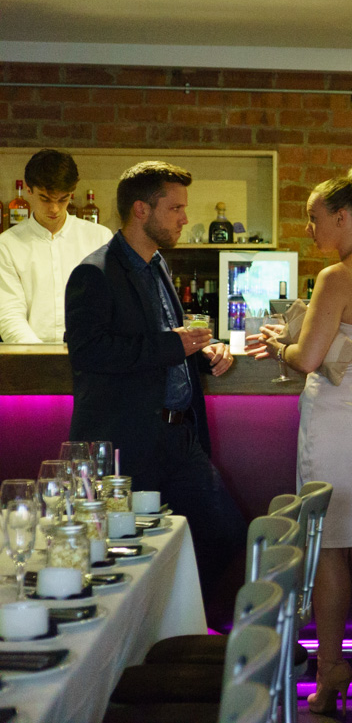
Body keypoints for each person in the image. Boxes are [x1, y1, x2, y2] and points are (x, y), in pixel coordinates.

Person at [248, 166, 352, 717]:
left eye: (313, 220)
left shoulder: (337, 276)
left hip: (341, 420)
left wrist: (280, 345)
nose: (309, 230)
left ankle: (333, 665)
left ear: (342, 217)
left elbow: (312, 360)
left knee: (334, 544)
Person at [64, 160, 245, 596]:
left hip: (180, 439)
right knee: (125, 555)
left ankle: (173, 618)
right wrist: (175, 346)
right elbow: (89, 352)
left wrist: (203, 352)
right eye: (176, 208)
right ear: (141, 210)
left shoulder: (159, 265)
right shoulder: (94, 272)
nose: (185, 218)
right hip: (128, 441)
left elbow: (166, 343)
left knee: (228, 533)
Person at [0, 149, 111, 342]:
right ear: (28, 190)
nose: (54, 209)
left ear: (72, 193)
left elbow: (110, 306)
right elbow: (9, 315)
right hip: (31, 360)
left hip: (91, 358)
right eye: (45, 199)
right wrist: (42, 359)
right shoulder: (6, 245)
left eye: (63, 199)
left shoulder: (100, 238)